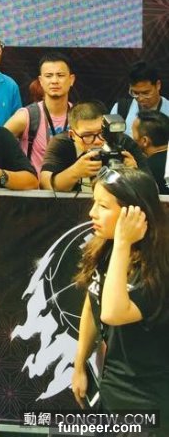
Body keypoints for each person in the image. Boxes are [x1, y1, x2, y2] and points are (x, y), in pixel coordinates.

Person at [72, 168, 169, 427]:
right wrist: (79, 365)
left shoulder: (159, 266)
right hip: (112, 389)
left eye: (103, 206)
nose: (92, 213)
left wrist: (123, 243)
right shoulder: (106, 247)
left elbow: (112, 313)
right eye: (94, 202)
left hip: (148, 399)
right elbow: (93, 302)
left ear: (134, 213)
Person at [40, 101, 147, 192]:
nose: (97, 141)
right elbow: (45, 184)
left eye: (102, 133)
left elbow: (151, 188)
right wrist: (75, 172)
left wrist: (135, 173)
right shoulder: (62, 143)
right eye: (87, 135)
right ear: (72, 135)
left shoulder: (122, 142)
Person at [5, 51, 75, 175]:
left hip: (70, 186)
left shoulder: (80, 116)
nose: (54, 81)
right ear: (41, 81)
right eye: (48, 76)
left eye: (60, 75)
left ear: (71, 79)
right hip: (34, 186)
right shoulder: (26, 116)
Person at [112, 60, 169, 136]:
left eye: (146, 93)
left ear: (158, 85)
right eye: (135, 93)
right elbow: (111, 140)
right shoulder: (120, 109)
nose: (141, 99)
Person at [132, 109, 169, 195]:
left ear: (145, 141)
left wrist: (133, 171)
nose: (132, 137)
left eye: (133, 132)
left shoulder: (145, 171)